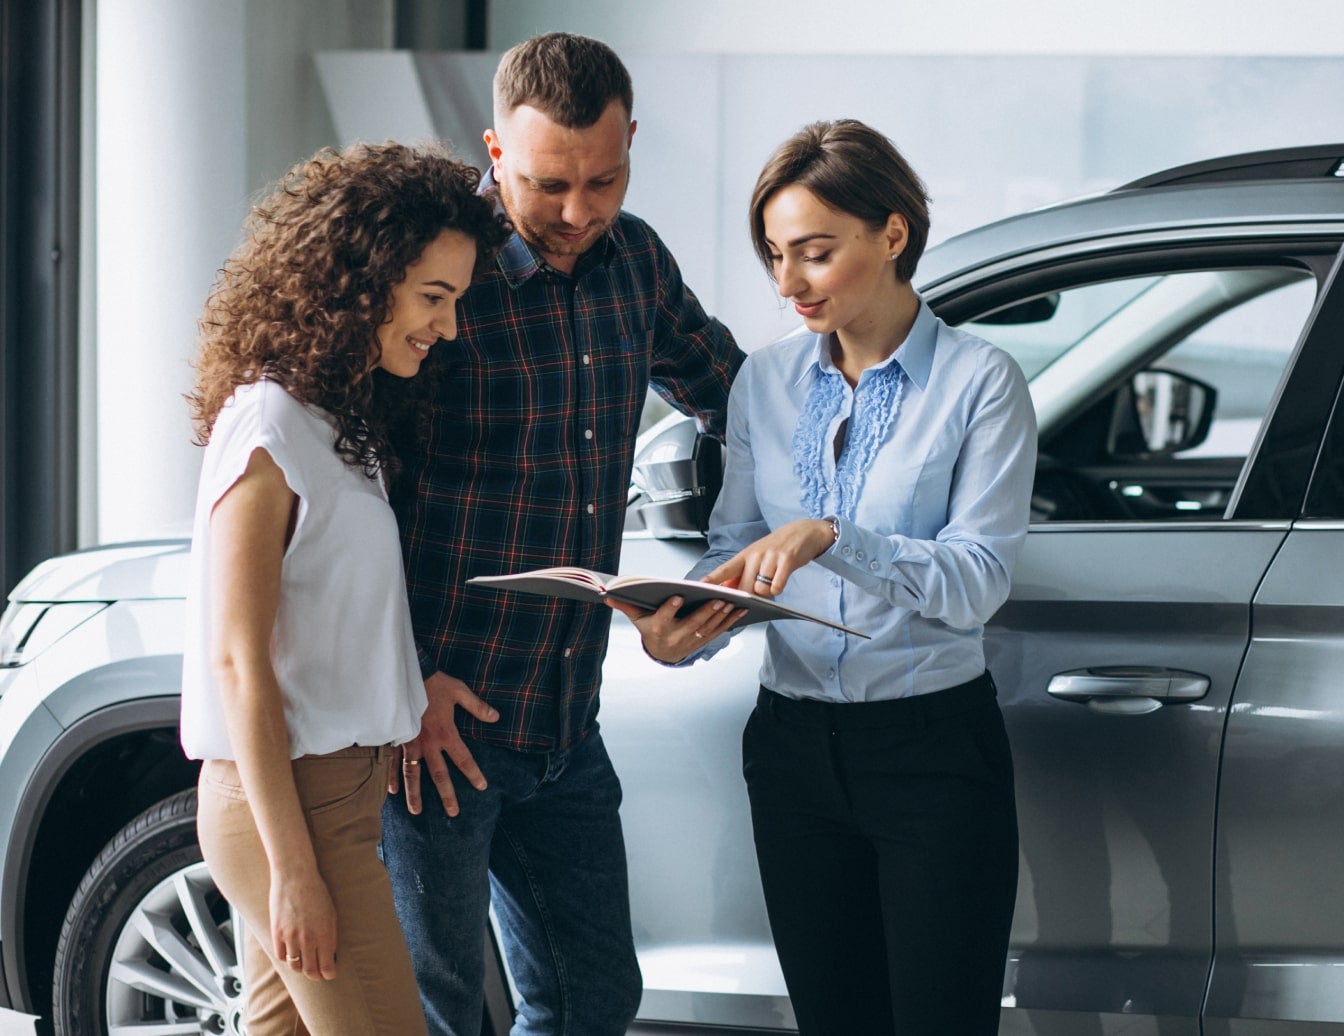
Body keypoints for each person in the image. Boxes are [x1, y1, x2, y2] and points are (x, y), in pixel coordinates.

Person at [611, 119, 1037, 1035]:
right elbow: (738, 545)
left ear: (892, 234)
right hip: (792, 751)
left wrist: (828, 537)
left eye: (814, 252)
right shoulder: (761, 382)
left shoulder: (981, 382)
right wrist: (684, 625)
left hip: (931, 754)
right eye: (774, 255)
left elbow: (978, 580)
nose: (787, 283)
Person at [380, 32, 746, 1036]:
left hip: (563, 721)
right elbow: (350, 496)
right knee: (439, 1012)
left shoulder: (637, 262)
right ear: (494, 153)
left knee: (594, 1001)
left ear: (632, 140)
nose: (581, 212)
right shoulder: (436, 278)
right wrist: (399, 678)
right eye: (549, 185)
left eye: (606, 178)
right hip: (433, 731)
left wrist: (737, 567)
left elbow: (742, 403)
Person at [180, 141, 509, 1035]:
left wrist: (407, 683)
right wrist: (293, 869)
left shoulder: (336, 419)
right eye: (432, 298)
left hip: (331, 799)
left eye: (456, 303)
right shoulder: (269, 424)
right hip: (293, 810)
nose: (445, 328)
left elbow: (329, 612)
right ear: (361, 280)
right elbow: (240, 661)